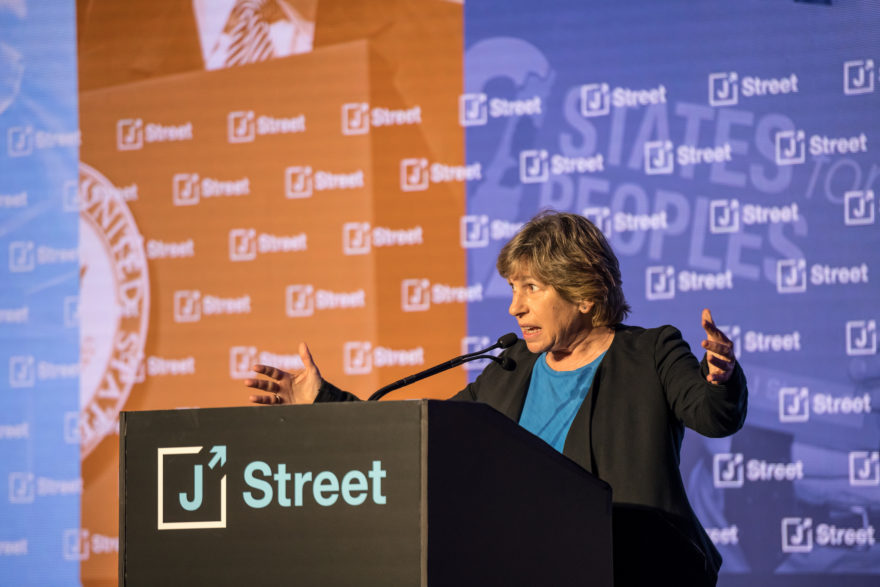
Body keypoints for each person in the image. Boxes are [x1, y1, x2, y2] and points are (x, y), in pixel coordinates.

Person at [245, 211, 747, 586]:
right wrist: (322, 399)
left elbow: (711, 414)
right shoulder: (509, 371)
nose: (515, 306)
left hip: (637, 566)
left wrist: (719, 378)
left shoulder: (651, 351)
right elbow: (422, 435)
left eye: (530, 287)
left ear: (584, 293)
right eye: (512, 288)